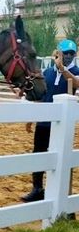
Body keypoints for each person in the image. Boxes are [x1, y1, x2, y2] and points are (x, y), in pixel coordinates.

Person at [22, 39, 79, 202]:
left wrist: (63, 70)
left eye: (71, 54)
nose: (68, 56)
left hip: (61, 126)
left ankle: (59, 191)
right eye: (65, 53)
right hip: (44, 123)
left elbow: (76, 83)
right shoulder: (47, 72)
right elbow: (41, 96)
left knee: (59, 157)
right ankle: (37, 188)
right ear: (58, 53)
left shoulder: (75, 70)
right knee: (38, 154)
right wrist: (32, 117)